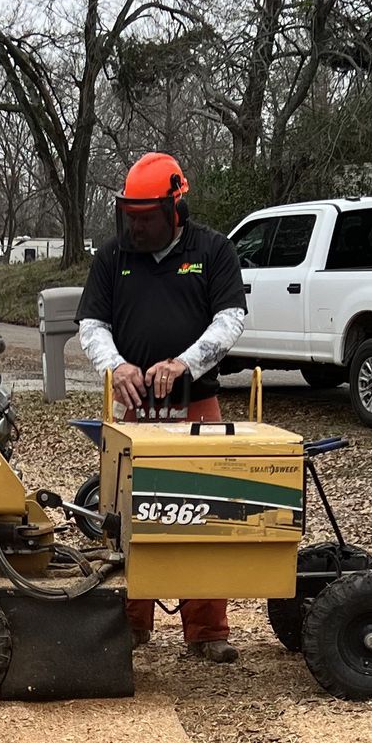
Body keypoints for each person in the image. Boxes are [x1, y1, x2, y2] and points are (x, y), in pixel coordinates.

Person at [75, 152, 249, 663]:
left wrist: (185, 364)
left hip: (197, 406)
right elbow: (91, 326)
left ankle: (207, 630)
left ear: (176, 207)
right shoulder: (112, 258)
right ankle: (129, 625)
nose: (138, 226)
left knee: (205, 514)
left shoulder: (213, 251)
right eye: (131, 216)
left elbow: (230, 319)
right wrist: (116, 366)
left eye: (147, 216)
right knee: (130, 517)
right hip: (133, 413)